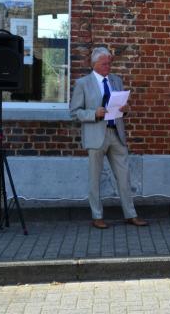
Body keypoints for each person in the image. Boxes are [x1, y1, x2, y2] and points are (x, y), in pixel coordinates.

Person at [70, 47, 147, 229]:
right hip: (96, 135)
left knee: (124, 177)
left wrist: (126, 110)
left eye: (110, 63)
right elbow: (74, 113)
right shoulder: (83, 83)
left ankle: (131, 214)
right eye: (104, 63)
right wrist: (93, 113)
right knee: (95, 178)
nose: (108, 66)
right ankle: (97, 216)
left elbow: (121, 104)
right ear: (94, 64)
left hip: (116, 134)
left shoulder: (116, 80)